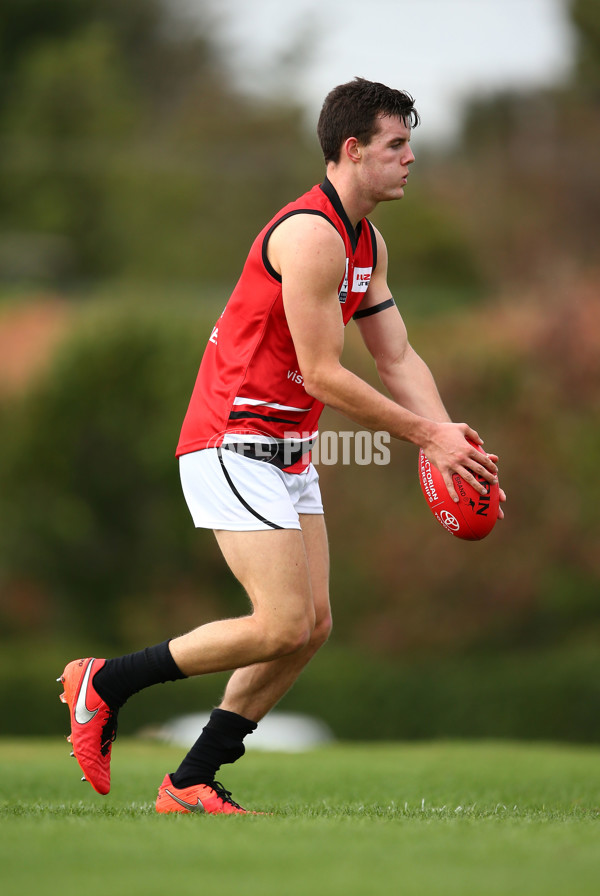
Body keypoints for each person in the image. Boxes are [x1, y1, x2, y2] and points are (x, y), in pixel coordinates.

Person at [58, 77, 505, 815]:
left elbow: (397, 356)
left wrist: (448, 436)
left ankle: (190, 780)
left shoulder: (367, 241)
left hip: (288, 451)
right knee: (280, 622)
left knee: (310, 629)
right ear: (353, 151)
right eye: (397, 145)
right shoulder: (310, 237)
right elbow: (324, 374)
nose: (411, 158)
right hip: (230, 440)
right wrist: (424, 436)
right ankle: (105, 683)